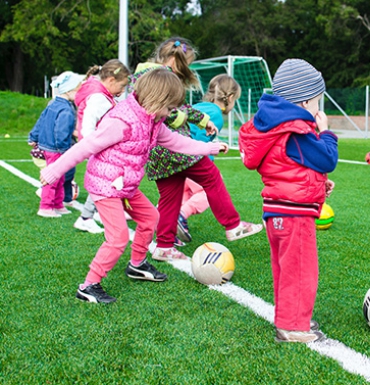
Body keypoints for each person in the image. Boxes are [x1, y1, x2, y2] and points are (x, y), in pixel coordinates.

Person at [40, 69, 229, 303]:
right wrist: (54, 170)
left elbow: (175, 142)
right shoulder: (120, 122)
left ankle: (137, 265)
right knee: (118, 237)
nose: (172, 113)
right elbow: (85, 146)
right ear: (157, 100)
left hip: (125, 186)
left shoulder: (153, 120)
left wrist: (208, 148)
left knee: (151, 218)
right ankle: (89, 285)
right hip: (105, 186)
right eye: (170, 108)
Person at [131, 37, 262, 262]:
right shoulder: (159, 77)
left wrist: (202, 120)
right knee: (211, 177)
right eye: (186, 64)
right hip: (174, 147)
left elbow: (179, 107)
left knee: (170, 197)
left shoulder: (146, 74)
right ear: (174, 60)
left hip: (157, 153)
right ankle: (233, 225)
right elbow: (166, 112)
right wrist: (185, 120)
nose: (186, 70)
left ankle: (163, 246)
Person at [238, 59, 339, 343]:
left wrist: (319, 183)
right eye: (317, 101)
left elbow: (289, 166)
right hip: (294, 215)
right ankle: (293, 327)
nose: (319, 108)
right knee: (300, 270)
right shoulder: (295, 130)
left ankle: (290, 317)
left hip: (278, 210)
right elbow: (327, 157)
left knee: (286, 270)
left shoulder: (275, 128)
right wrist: (327, 132)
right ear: (305, 100)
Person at [176, 74, 243, 243]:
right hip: (190, 159)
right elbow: (198, 140)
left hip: (176, 157)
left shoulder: (200, 106)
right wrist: (211, 151)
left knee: (183, 194)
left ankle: (164, 220)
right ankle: (181, 215)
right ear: (230, 98)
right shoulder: (216, 115)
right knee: (208, 190)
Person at [73, 59, 130, 234]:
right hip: (98, 147)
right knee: (104, 181)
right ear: (111, 81)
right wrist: (94, 145)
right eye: (121, 86)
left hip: (101, 146)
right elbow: (88, 124)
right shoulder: (99, 98)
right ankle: (85, 217)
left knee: (110, 179)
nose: (122, 92)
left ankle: (97, 212)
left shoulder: (102, 95)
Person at [28, 71, 84, 218]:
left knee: (60, 177)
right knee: (54, 178)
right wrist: (64, 150)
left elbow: (41, 120)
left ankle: (57, 204)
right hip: (57, 149)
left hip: (49, 146)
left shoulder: (53, 103)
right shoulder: (66, 109)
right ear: (70, 90)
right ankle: (46, 206)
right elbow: (61, 131)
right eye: (78, 90)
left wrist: (33, 136)